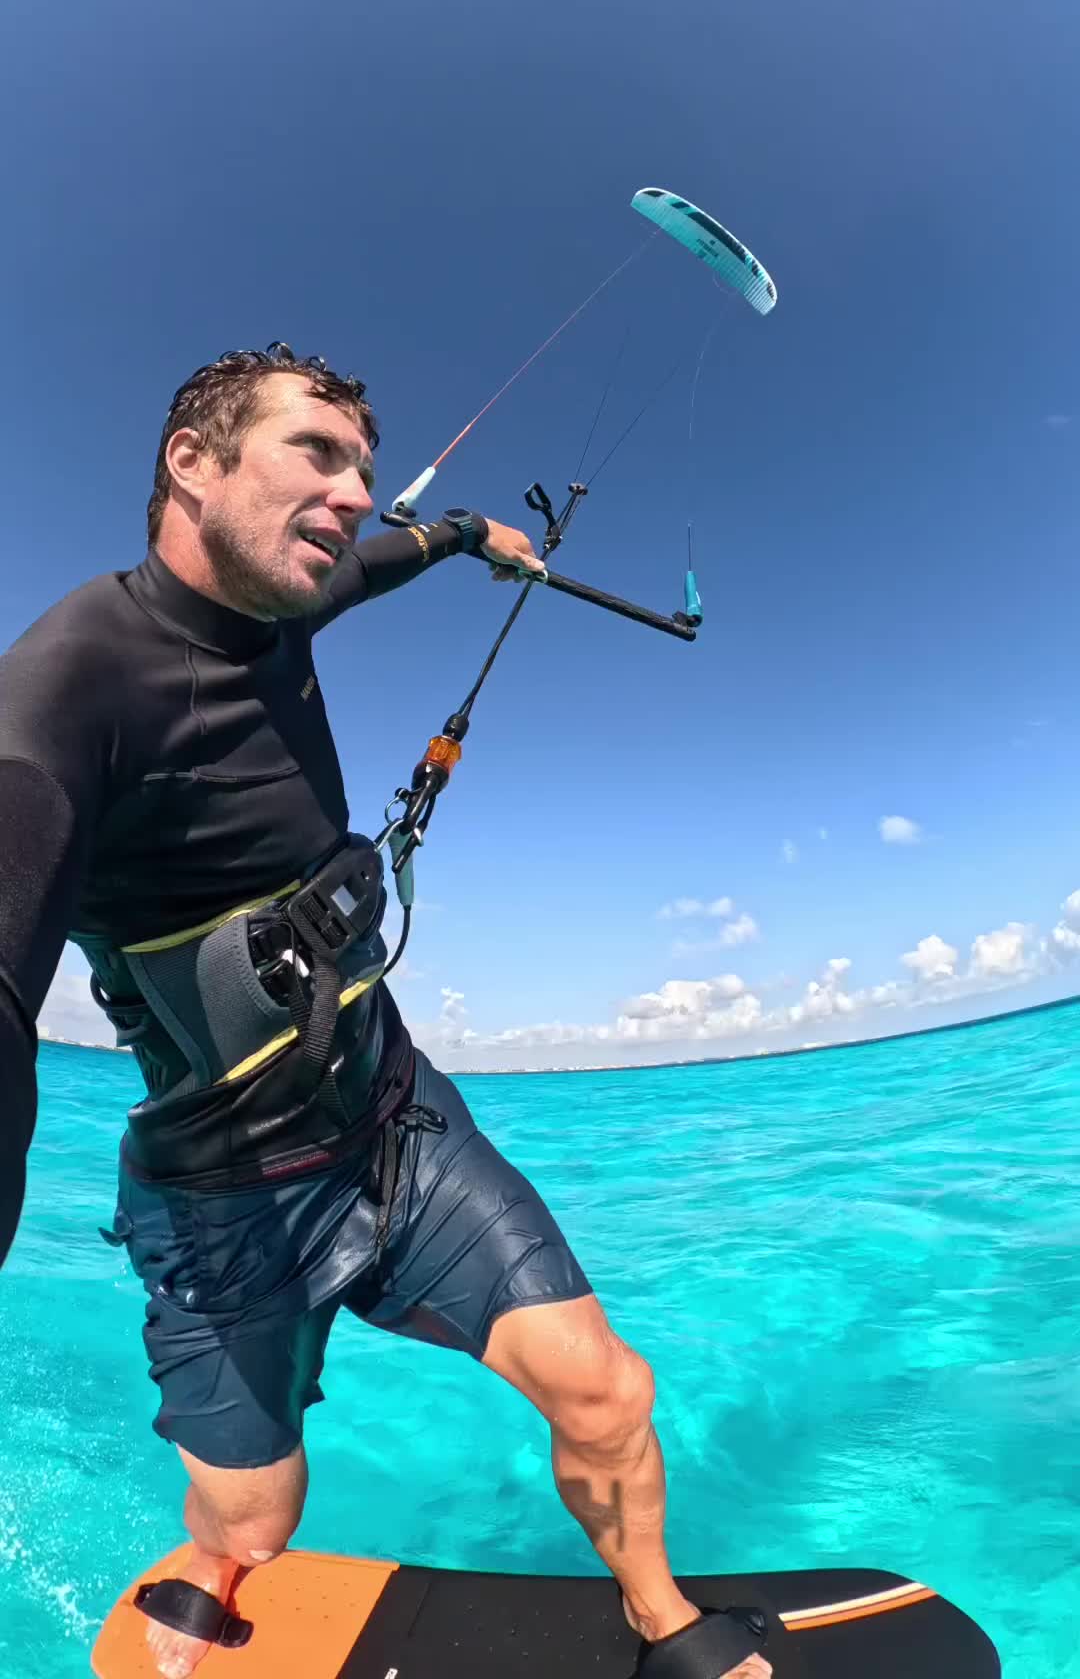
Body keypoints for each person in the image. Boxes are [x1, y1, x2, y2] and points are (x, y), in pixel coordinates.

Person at [0, 344, 770, 1679]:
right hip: (225, 1190)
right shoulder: (65, 694)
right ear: (192, 464)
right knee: (254, 1516)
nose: (356, 492)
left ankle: (664, 1622)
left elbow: (398, 551)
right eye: (318, 453)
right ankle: (212, 1557)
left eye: (364, 465)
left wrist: (478, 537)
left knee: (607, 1392)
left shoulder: (292, 600)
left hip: (395, 1124)